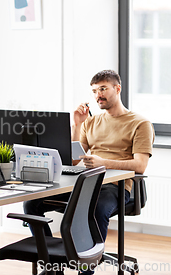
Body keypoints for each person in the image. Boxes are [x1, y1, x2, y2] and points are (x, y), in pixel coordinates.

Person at [23, 69, 154, 274]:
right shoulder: (91, 122)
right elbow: (74, 159)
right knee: (32, 204)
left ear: (117, 88)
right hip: (86, 182)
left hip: (116, 186)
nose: (97, 95)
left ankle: (87, 270)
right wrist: (77, 125)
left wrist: (104, 163)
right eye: (94, 91)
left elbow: (140, 165)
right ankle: (53, 265)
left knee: (96, 209)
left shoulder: (140, 123)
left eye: (103, 89)